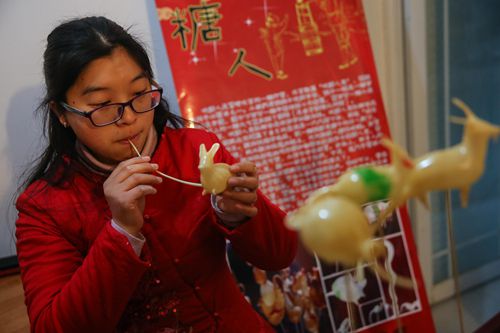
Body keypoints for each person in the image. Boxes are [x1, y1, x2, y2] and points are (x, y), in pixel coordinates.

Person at [15, 16, 297, 333]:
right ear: (62, 114)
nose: (131, 118)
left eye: (139, 93)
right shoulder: (45, 208)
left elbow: (281, 254)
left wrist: (239, 215)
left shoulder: (197, 151)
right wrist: (121, 231)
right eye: (103, 104)